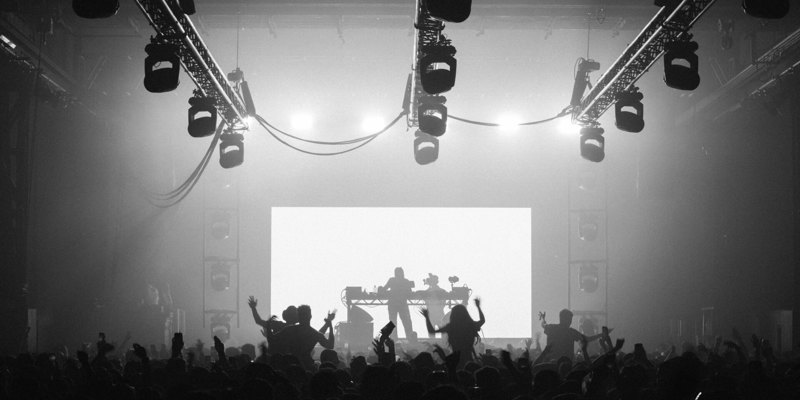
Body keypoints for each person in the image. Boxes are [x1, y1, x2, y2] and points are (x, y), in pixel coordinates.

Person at [266, 304, 335, 370]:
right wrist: (330, 325)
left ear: (298, 317)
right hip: (307, 365)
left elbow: (272, 340)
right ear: (310, 316)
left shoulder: (289, 330)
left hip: (290, 365)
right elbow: (330, 345)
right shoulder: (315, 334)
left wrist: (268, 327)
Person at [421, 297, 485, 367]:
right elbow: (482, 320)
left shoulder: (451, 327)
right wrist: (478, 307)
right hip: (468, 358)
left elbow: (432, 331)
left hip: (456, 360)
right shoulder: (470, 325)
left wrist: (427, 317)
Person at [540, 309, 607, 361]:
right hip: (566, 364)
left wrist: (543, 319)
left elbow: (543, 325)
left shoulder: (551, 327)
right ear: (566, 319)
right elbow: (587, 339)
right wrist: (602, 334)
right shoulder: (571, 332)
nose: (570, 322)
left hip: (551, 361)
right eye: (570, 319)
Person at [381, 267, 416, 341]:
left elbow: (384, 289)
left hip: (393, 304)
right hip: (402, 304)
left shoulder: (392, 280)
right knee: (406, 322)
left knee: (393, 322)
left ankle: (394, 339)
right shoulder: (405, 281)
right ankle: (410, 339)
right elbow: (410, 293)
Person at [422, 273, 448, 337]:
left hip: (436, 314)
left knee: (440, 333)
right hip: (436, 314)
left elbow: (444, 302)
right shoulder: (441, 291)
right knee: (440, 333)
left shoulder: (428, 292)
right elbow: (444, 302)